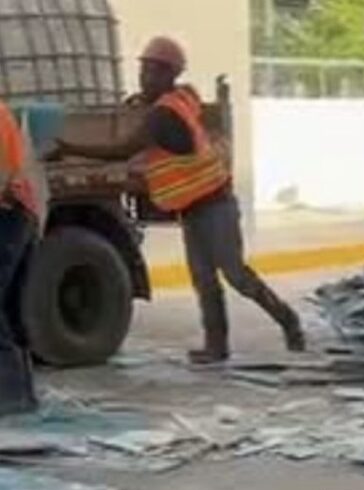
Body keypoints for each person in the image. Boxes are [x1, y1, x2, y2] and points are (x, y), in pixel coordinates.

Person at [55, 36, 304, 364]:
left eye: (151, 72)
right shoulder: (181, 99)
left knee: (234, 274)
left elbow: (122, 151)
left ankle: (289, 322)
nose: (143, 78)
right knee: (203, 279)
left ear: (167, 75)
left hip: (214, 206)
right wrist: (142, 101)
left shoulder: (162, 116)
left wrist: (68, 149)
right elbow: (187, 102)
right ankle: (216, 347)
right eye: (143, 70)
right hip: (195, 207)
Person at [0, 98, 39, 413]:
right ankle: (21, 396)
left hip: (7, 215)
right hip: (19, 213)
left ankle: (12, 399)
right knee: (12, 309)